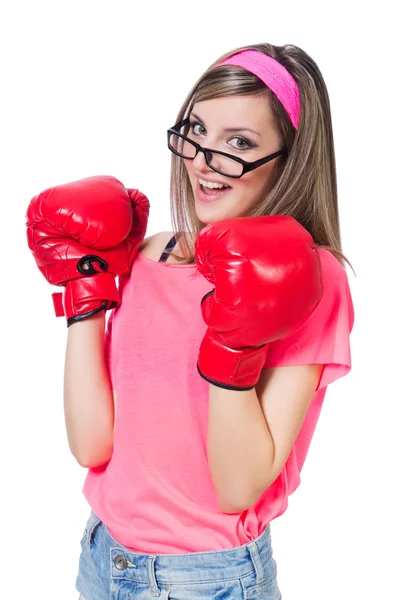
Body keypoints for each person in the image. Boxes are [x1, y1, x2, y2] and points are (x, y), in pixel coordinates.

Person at [26, 42, 354, 600]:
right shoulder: (150, 253)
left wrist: (234, 345)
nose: (204, 160)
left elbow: (238, 486)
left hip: (208, 578)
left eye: (240, 143)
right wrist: (87, 291)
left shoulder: (314, 279)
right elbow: (92, 447)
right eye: (197, 131)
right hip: (104, 556)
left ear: (289, 158)